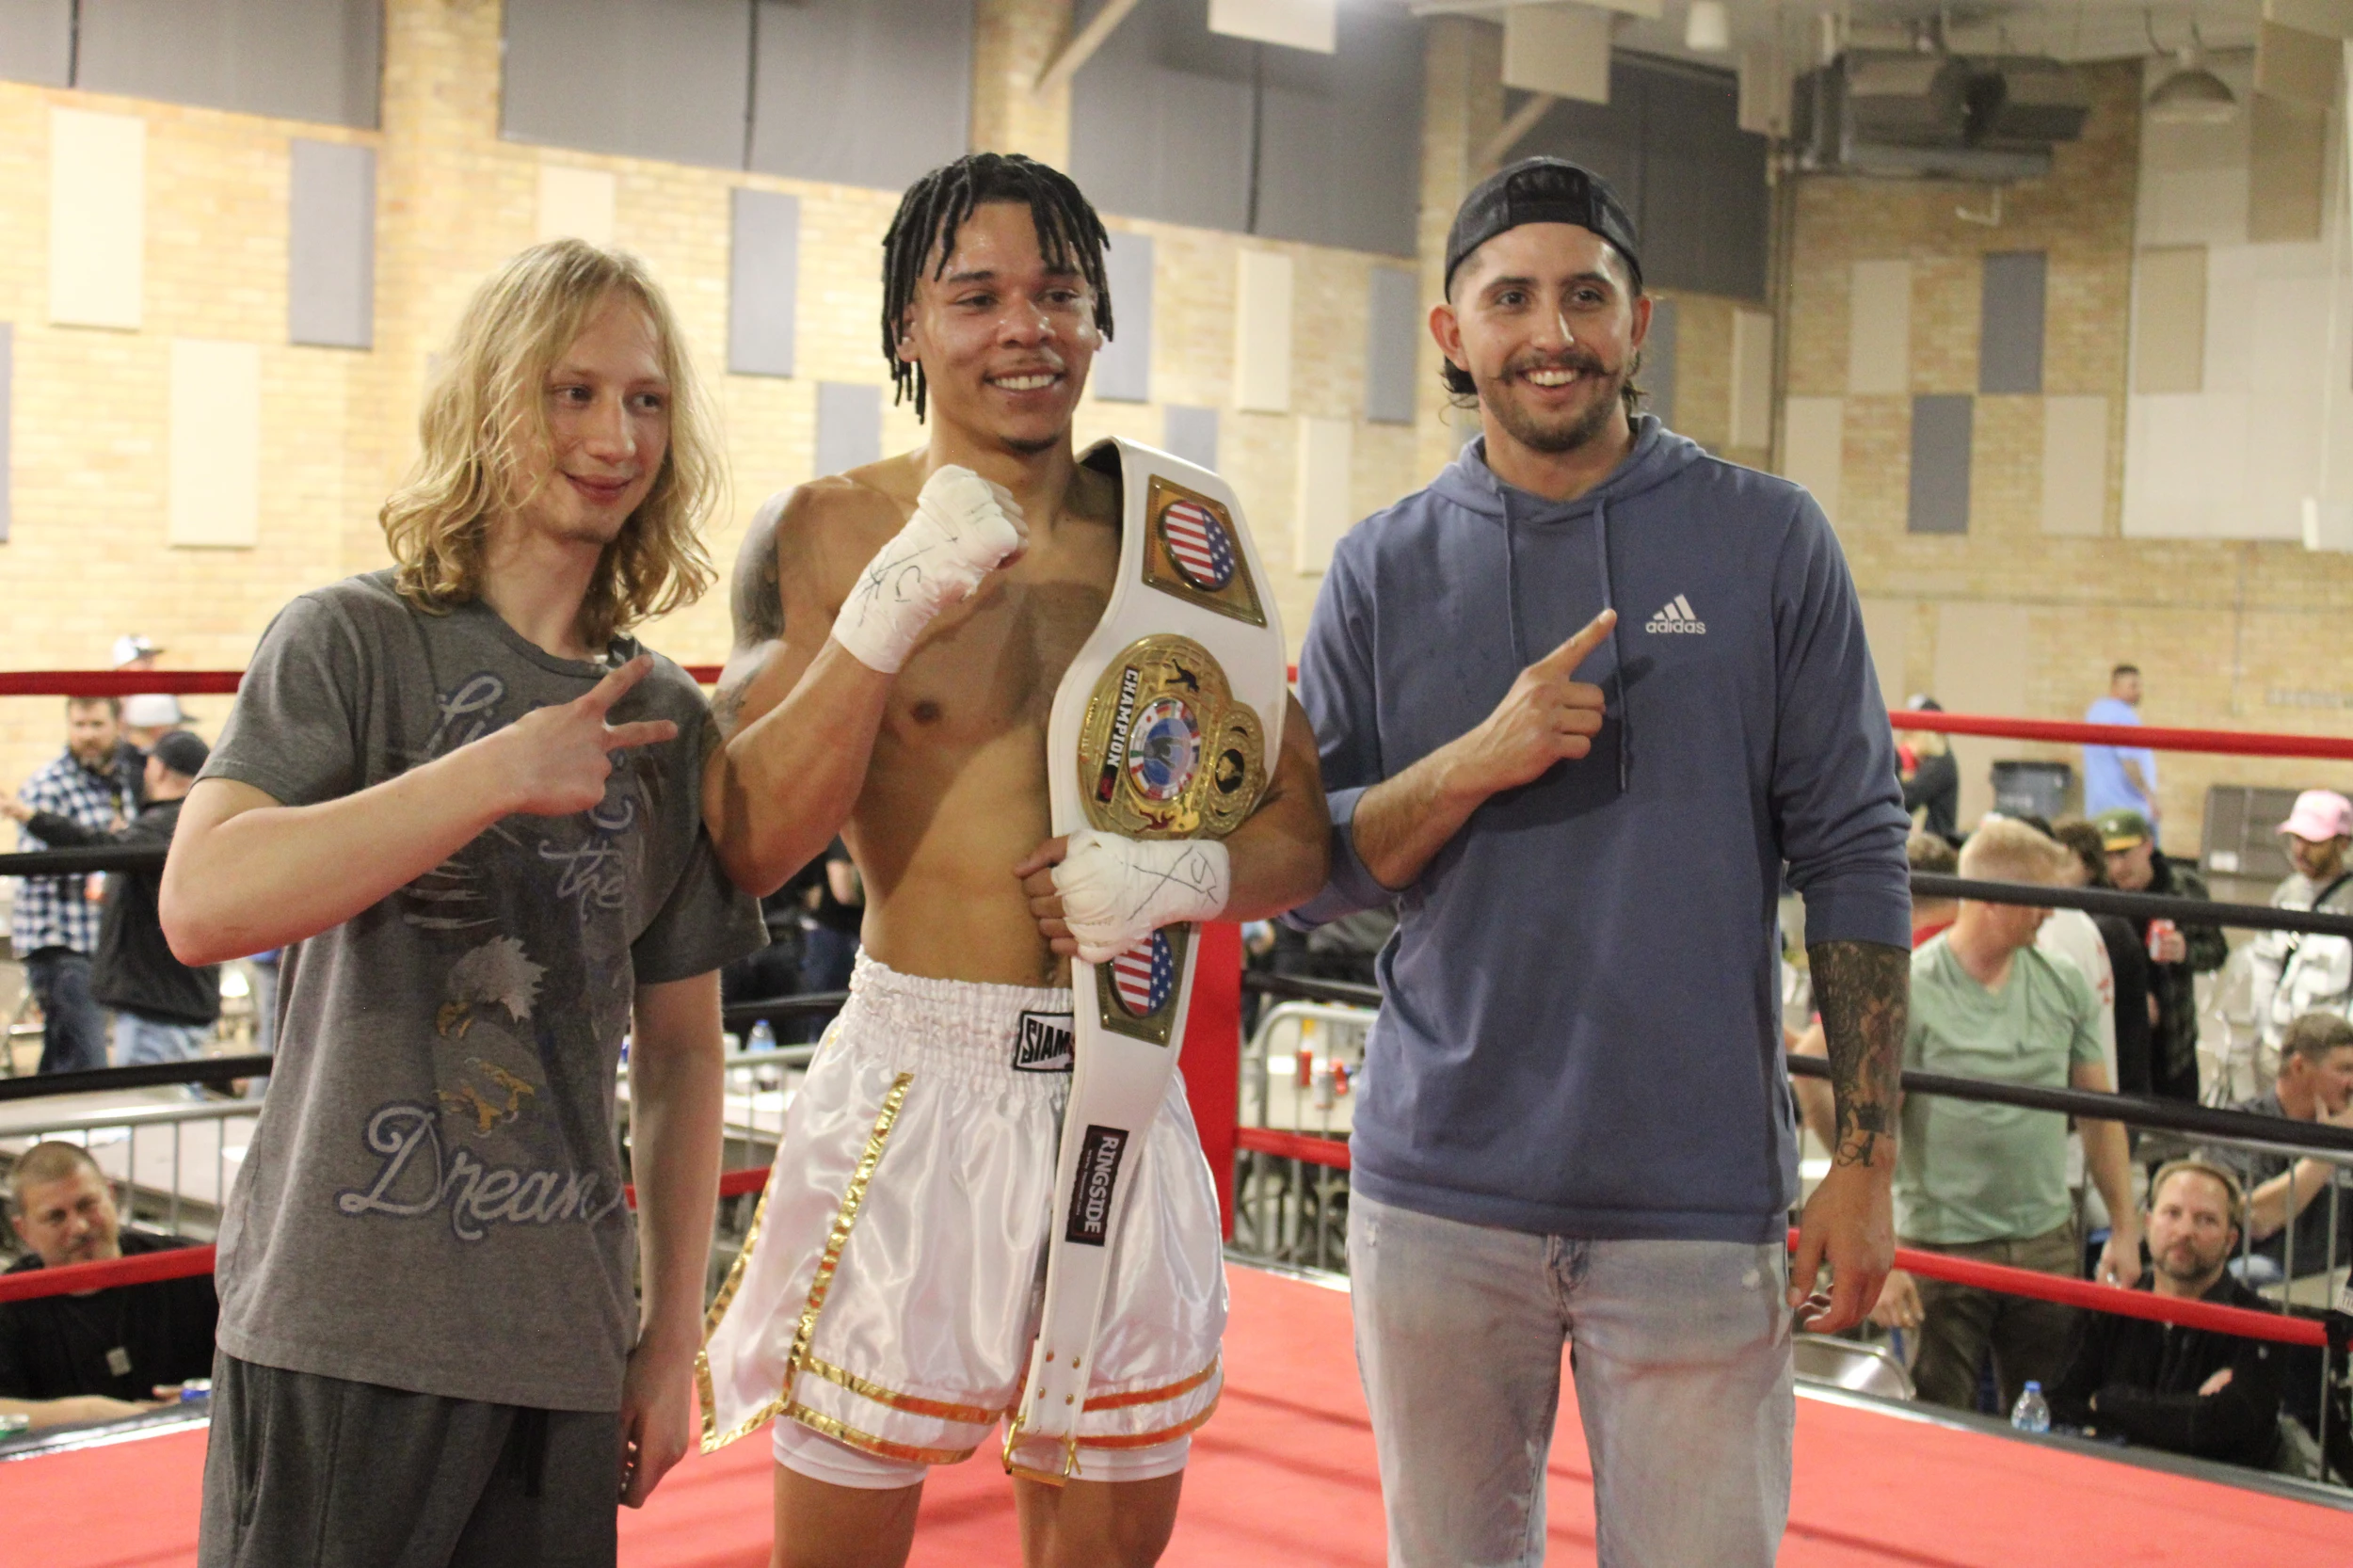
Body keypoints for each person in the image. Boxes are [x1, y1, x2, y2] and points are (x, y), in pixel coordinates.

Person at [696, 152, 1328, 1568]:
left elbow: (1301, 825)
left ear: (1101, 319)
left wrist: (1191, 880)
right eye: (975, 295)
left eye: (1059, 293)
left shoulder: (1184, 540)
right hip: (921, 1073)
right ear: (907, 327)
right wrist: (883, 617)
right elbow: (744, 838)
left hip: (1124, 1073)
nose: (1023, 328)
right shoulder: (821, 529)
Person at [1285, 155, 1911, 1567]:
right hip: (1440, 1193)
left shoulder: (1767, 540)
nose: (1549, 330)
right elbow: (1311, 865)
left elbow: (1858, 849)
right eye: (1510, 298)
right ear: (1453, 334)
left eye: (1585, 295)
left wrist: (1867, 1156)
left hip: (1693, 1202)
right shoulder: (1382, 566)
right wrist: (1468, 762)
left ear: (1641, 322)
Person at [158, 239, 763, 1564]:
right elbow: (201, 903)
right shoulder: (348, 640)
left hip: (559, 1340)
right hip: (345, 1322)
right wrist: (491, 772)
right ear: (492, 401)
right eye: (573, 392)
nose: (616, 436)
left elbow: (680, 1049)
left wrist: (672, 1334)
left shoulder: (664, 711)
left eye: (647, 400)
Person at [1870, 820, 2142, 1415]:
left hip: (2044, 1241)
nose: (2051, 914)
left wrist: (2126, 1226)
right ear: (1992, 899)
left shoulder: (2061, 982)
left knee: (2047, 1418)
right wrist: (1882, 1256)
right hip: (1941, 1246)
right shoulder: (1911, 987)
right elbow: (1875, 1130)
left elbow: (2100, 1115)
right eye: (2040, 900)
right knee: (1939, 1426)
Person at [2047, 1160, 2285, 1469]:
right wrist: (2187, 1413)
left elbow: (2221, 1428)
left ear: (2230, 1241)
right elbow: (2058, 1407)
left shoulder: (2261, 1324)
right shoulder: (2107, 1308)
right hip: (2110, 1487)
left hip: (2216, 1500)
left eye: (2206, 1220)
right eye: (2172, 1214)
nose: (2185, 1231)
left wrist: (2107, 1402)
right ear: (2147, 1224)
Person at [8, 730, 221, 1069]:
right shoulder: (192, 821)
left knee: (153, 1107)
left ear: (160, 769)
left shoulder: (163, 825)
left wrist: (27, 815)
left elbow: (95, 848)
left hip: (158, 1003)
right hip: (176, 996)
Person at [0, 1143, 216, 1431]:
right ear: (23, 1231)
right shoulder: (10, 1300)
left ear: (111, 1197)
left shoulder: (185, 1267)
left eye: (87, 1205)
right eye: (55, 1217)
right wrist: (87, 1413)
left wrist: (209, 1397)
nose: (79, 1227)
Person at [10, 696, 129, 1074]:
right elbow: (35, 868)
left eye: (96, 725)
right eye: (79, 725)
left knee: (65, 1052)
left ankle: (50, 1129)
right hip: (59, 942)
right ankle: (81, 1130)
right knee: (86, 1059)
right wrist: (103, 850)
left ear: (116, 725)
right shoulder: (48, 786)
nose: (87, 735)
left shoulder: (120, 784)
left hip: (99, 940)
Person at [2205, 1012, 2353, 1280]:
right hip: (2262, 1287)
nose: (2352, 1083)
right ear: (2299, 1067)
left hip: (2335, 1287)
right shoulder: (2238, 1127)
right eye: (2345, 1069)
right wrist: (2331, 1146)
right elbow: (2255, 1217)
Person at [2099, 808, 2227, 1103]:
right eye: (2108, 856)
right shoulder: (2098, 894)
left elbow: (2217, 951)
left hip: (2173, 1046)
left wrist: (2186, 952)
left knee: (2177, 1133)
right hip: (2116, 1044)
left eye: (2124, 853)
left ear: (2147, 845)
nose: (2117, 867)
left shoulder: (2184, 888)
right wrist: (2133, 999)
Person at [2247, 790, 2353, 1066]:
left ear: (2342, 842)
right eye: (2296, 838)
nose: (2299, 850)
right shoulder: (2285, 893)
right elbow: (2265, 964)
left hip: (2330, 1059)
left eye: (2312, 840)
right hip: (2278, 1050)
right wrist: (2266, 1033)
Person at [2051, 816, 2153, 1096]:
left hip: (2112, 1081)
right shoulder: (2103, 914)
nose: (2052, 874)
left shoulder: (2096, 924)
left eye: (2063, 863)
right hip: (2116, 1080)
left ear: (2088, 867)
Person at [2084, 664, 2157, 821]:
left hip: (2098, 808)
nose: (2138, 691)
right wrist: (2149, 795)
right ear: (2116, 686)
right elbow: (2129, 762)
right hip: (2125, 810)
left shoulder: (2096, 711)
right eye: (2133, 686)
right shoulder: (2123, 716)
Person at [1898, 696, 1959, 841]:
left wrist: (1899, 762)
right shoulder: (1937, 761)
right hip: (1933, 844)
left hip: (1935, 850)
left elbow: (1906, 800)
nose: (1907, 736)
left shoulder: (1940, 764)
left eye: (1912, 730)